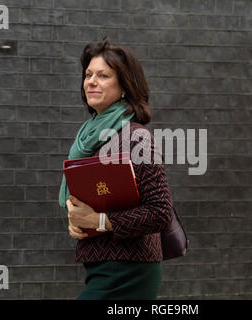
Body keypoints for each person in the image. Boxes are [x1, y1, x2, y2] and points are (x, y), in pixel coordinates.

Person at [58, 38, 173, 300]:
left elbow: (160, 211)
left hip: (129, 270)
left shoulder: (134, 136)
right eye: (88, 75)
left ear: (124, 86)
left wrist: (98, 221)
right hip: (101, 267)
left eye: (103, 75)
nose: (91, 81)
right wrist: (77, 218)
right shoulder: (89, 137)